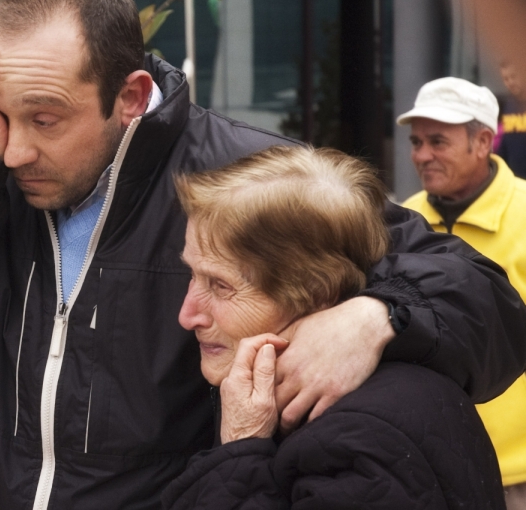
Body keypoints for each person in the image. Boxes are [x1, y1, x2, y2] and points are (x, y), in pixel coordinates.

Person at [0, 0, 526, 510]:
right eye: (3, 115)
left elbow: (488, 301)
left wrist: (378, 317)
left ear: (129, 98)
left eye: (46, 119)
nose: (16, 151)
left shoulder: (245, 176)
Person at [161, 145, 504, 508]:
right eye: (192, 275)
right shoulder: (350, 411)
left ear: (315, 293)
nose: (188, 314)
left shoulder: (359, 440)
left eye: (220, 285)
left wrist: (240, 451)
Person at [398, 76, 526, 508]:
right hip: (426, 470)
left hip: (517, 474)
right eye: (416, 142)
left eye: (438, 141)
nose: (422, 155)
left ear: (484, 141)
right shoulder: (401, 220)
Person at [498, 60, 526, 178]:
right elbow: (506, 143)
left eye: (513, 77)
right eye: (506, 79)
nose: (510, 82)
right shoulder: (509, 105)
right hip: (515, 181)